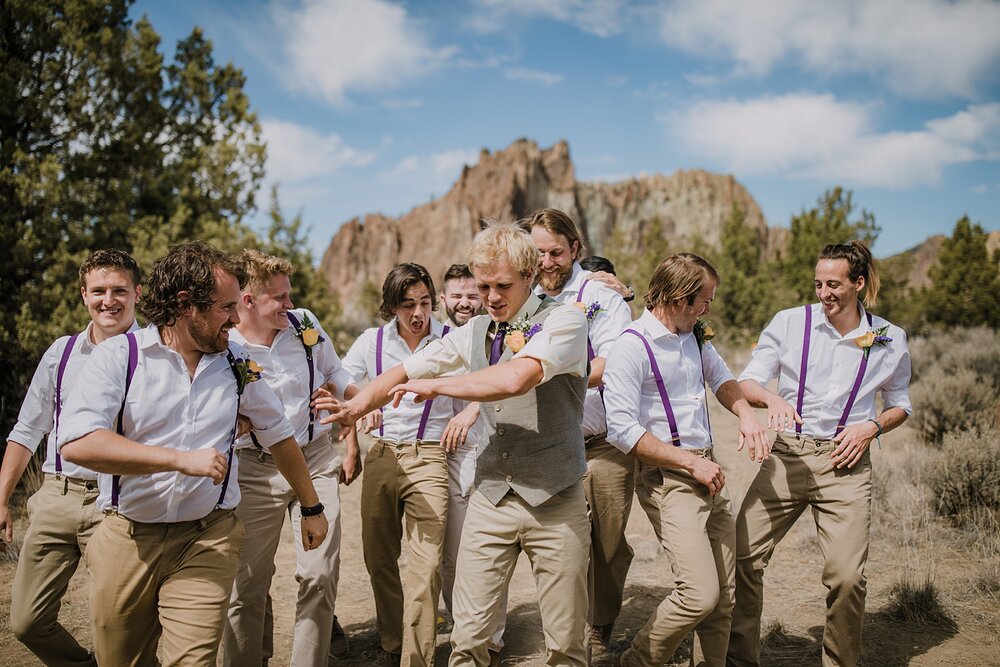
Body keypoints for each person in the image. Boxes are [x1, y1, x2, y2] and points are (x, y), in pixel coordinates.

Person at [319, 221, 593, 667]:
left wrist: (442, 387)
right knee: (467, 638)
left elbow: (515, 378)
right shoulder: (476, 329)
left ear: (530, 275)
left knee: (565, 644)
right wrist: (358, 405)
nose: (491, 297)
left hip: (555, 497)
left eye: (503, 285)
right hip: (491, 495)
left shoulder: (567, 319)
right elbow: (408, 369)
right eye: (483, 286)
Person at [58, 241, 328, 667]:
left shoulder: (237, 362)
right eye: (226, 308)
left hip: (208, 537)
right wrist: (177, 459)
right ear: (186, 304)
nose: (237, 319)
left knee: (193, 660)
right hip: (128, 538)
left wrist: (311, 506)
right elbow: (77, 441)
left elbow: (278, 434)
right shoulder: (120, 357)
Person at [727, 241, 912, 667]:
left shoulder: (889, 338)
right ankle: (737, 660)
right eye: (818, 283)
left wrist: (872, 427)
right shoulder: (790, 323)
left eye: (833, 284)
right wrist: (770, 400)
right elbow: (748, 380)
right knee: (741, 556)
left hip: (846, 465)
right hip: (788, 455)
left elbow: (900, 402)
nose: (823, 292)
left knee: (847, 578)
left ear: (859, 284)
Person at [603, 253, 768, 667]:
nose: (708, 310)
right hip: (669, 477)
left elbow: (723, 378)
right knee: (698, 595)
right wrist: (691, 464)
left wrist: (746, 414)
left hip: (708, 470)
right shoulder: (631, 346)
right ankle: (636, 661)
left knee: (724, 597)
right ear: (678, 298)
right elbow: (621, 430)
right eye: (704, 301)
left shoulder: (694, 337)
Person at [0, 249, 141, 667]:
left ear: (137, 293)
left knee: (116, 624)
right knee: (26, 622)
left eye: (119, 290)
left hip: (118, 502)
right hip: (56, 497)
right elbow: (27, 430)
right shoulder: (60, 354)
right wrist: (3, 498)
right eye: (98, 291)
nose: (108, 300)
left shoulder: (155, 354)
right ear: (83, 295)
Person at [223, 249, 358, 666]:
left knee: (319, 574)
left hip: (315, 459)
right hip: (252, 471)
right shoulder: (224, 344)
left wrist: (354, 409)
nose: (289, 304)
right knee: (246, 586)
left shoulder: (304, 325)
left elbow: (339, 375)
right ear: (247, 301)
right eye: (278, 298)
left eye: (288, 293)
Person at [526, 208, 635, 652]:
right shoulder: (524, 298)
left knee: (606, 542)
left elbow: (614, 363)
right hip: (547, 441)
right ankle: (565, 631)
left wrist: (546, 373)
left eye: (556, 252)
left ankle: (601, 621)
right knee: (560, 541)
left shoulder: (602, 297)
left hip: (602, 444)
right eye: (539, 253)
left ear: (575, 249)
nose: (547, 262)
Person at [340, 263, 456, 666]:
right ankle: (392, 642)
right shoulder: (370, 342)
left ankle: (416, 658)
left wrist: (468, 414)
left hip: (430, 456)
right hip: (383, 454)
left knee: (426, 566)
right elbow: (340, 381)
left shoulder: (451, 340)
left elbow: (479, 387)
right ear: (392, 307)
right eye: (408, 304)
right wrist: (362, 407)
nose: (418, 313)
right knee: (378, 557)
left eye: (425, 302)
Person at [435, 263, 509, 653]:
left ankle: (492, 640)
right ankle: (465, 631)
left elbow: (510, 379)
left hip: (489, 449)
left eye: (471, 294)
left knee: (489, 551)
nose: (465, 302)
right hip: (444, 454)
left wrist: (474, 407)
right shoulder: (435, 336)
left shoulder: (501, 334)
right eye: (457, 295)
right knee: (452, 554)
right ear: (443, 300)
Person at [439, 263, 481, 329]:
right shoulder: (433, 339)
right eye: (457, 296)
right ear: (443, 300)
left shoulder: (497, 338)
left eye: (472, 297)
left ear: (483, 301)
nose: (464, 304)